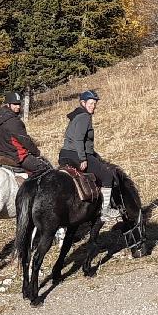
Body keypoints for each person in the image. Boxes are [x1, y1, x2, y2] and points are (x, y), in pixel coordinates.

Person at [58, 90, 119, 222]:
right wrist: (83, 158)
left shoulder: (77, 115)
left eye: (95, 103)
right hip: (76, 154)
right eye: (91, 103)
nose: (93, 106)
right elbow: (78, 139)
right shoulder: (84, 117)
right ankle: (105, 210)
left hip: (65, 154)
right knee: (107, 176)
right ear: (83, 103)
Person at [0, 90, 50, 174]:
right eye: (15, 104)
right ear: (8, 104)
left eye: (19, 104)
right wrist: (36, 152)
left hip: (2, 154)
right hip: (16, 156)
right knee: (45, 169)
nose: (18, 106)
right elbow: (25, 140)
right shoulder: (13, 121)